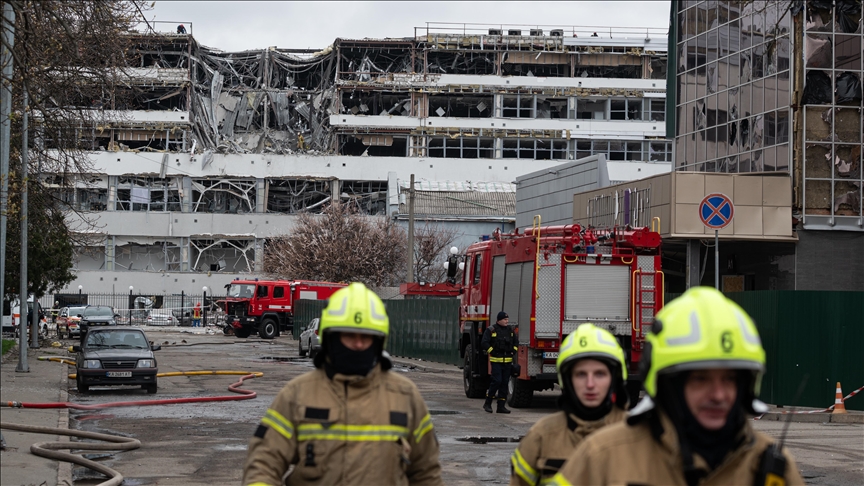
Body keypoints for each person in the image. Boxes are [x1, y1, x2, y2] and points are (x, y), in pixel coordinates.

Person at [548, 287, 805, 486]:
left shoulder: (774, 469)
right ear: (668, 385)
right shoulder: (602, 456)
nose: (718, 395)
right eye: (700, 379)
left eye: (729, 379)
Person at [242, 282, 443, 485]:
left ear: (379, 341)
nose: (357, 344)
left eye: (366, 337)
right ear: (331, 338)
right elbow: (263, 463)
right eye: (349, 335)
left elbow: (427, 473)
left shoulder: (405, 396)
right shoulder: (297, 395)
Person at [510, 323, 629, 486]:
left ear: (614, 378)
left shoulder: (639, 436)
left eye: (600, 374)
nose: (590, 384)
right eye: (581, 374)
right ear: (567, 379)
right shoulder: (541, 436)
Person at [480, 311, 518, 414]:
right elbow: (484, 343)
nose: (507, 321)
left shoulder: (510, 330)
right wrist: (492, 351)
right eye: (505, 319)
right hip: (496, 361)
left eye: (507, 319)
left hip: (507, 362)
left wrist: (514, 350)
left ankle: (501, 406)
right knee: (497, 381)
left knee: (504, 383)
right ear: (499, 320)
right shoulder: (491, 330)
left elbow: (516, 342)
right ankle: (487, 403)